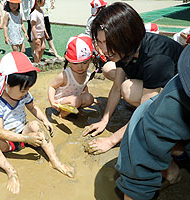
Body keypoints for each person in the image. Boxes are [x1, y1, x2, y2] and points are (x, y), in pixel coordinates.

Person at [82, 2, 183, 154]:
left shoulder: (157, 59)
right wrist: (104, 120)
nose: (104, 49)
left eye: (108, 42)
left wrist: (111, 140)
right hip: (151, 80)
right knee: (109, 68)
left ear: (126, 37)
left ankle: (176, 144)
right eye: (100, 42)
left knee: (129, 90)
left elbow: (145, 111)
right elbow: (115, 88)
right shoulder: (123, 49)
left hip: (182, 101)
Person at [0, 52, 74, 194]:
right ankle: (11, 171)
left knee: (35, 125)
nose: (25, 93)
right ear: (6, 84)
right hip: (6, 142)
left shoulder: (23, 94)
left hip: (24, 135)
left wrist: (45, 120)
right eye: (22, 89)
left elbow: (33, 107)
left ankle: (55, 160)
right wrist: (26, 138)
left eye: (28, 89)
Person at [115, 45, 190, 200]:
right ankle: (179, 155)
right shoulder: (176, 96)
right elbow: (144, 132)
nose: (103, 51)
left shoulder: (156, 60)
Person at [48, 34, 95, 118]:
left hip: (74, 100)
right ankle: (62, 115)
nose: (80, 67)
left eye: (84, 63)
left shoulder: (87, 73)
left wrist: (86, 95)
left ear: (91, 59)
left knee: (89, 98)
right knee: (74, 101)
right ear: (69, 61)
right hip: (61, 102)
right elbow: (52, 87)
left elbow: (84, 86)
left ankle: (76, 109)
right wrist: (52, 101)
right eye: (75, 63)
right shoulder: (65, 75)